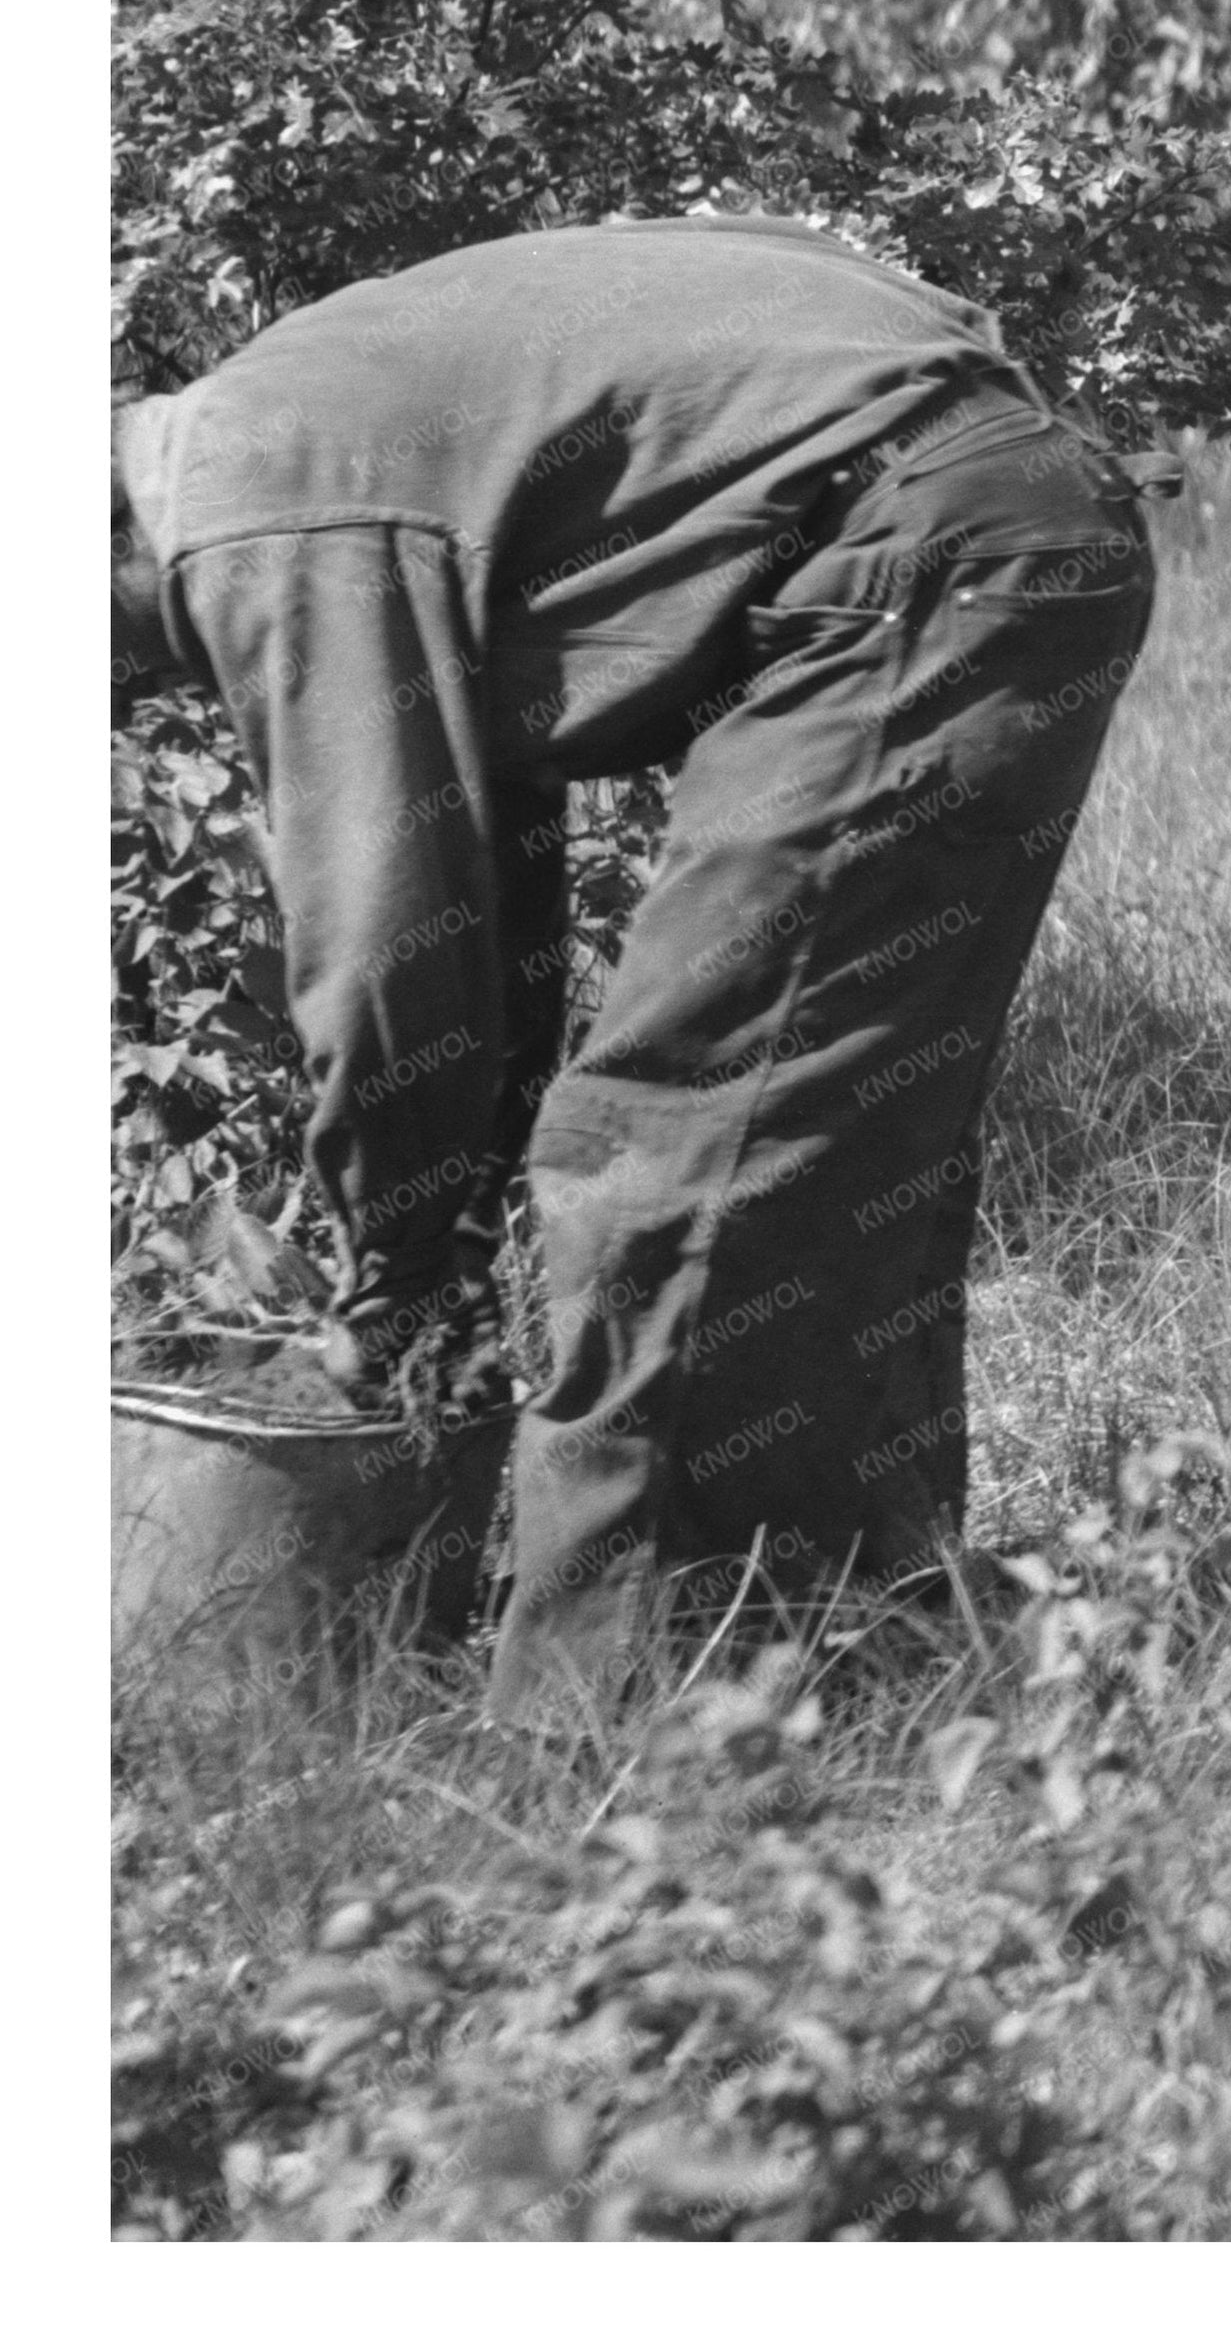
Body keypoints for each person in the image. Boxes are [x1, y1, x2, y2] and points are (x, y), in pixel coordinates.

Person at [107, 219, 1158, 1719]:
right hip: (1006, 513)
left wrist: (401, 1282)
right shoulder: (302, 425)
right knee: (817, 1135)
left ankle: (608, 1747)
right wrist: (448, 1232)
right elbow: (478, 896)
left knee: (665, 1152)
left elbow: (386, 938)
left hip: (926, 541)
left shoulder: (250, 517)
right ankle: (851, 1655)